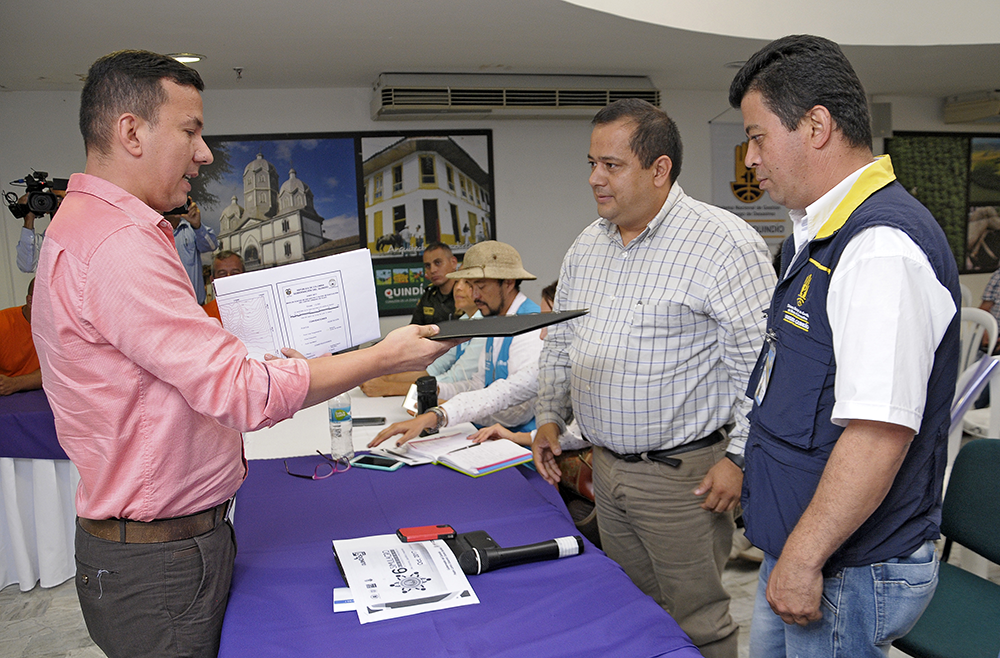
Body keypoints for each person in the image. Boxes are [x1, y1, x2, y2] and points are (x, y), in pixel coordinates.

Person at [30, 50, 453, 658]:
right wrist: (383, 357)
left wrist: (270, 364)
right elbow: (242, 394)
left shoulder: (83, 225)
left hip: (147, 544)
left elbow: (161, 373)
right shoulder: (122, 244)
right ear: (130, 132)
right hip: (162, 558)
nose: (204, 153)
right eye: (191, 130)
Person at [729, 35, 959, 656]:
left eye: (757, 136)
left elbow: (878, 431)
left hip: (842, 565)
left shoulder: (880, 248)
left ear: (817, 126)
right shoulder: (816, 236)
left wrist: (802, 558)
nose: (749, 158)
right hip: (807, 549)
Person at [532, 98, 775, 658]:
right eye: (591, 163)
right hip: (605, 467)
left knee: (698, 623)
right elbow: (561, 341)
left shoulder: (723, 244)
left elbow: (763, 365)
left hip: (681, 477)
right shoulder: (587, 245)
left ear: (659, 169)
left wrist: (739, 459)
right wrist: (549, 416)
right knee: (632, 613)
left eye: (611, 165)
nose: (595, 178)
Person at [369, 240, 543, 446]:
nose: (475, 295)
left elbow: (518, 412)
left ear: (508, 282)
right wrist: (436, 392)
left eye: (480, 286)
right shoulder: (496, 320)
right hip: (484, 435)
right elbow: (477, 384)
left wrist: (448, 410)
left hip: (518, 449)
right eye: (471, 286)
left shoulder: (530, 327)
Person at [361, 276, 484, 398]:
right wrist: (386, 378)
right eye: (456, 281)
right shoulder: (464, 321)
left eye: (468, 283)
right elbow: (434, 368)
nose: (458, 287)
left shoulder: (484, 325)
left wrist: (390, 387)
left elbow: (457, 378)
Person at [165, 196, 217, 304]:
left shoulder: (192, 229)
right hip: (168, 309)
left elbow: (212, 246)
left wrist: (197, 226)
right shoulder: (153, 232)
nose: (175, 207)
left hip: (197, 306)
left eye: (178, 203)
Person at [0, 278, 42, 395]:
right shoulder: (3, 323)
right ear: (30, 301)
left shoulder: (65, 328)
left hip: (45, 396)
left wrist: (15, 384)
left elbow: (60, 371)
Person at [411, 242, 459, 325]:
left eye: (438, 263)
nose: (432, 270)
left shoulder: (467, 294)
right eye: (428, 266)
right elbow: (415, 329)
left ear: (453, 263)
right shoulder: (428, 297)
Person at [202, 250, 244, 323]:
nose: (228, 278)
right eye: (222, 274)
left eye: (234, 273)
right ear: (212, 280)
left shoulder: (260, 308)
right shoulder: (204, 315)